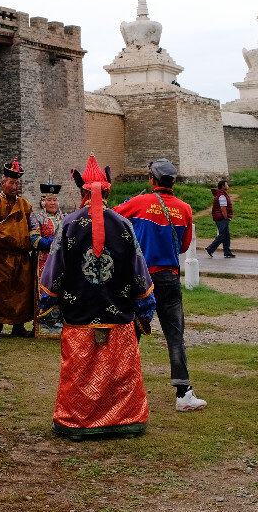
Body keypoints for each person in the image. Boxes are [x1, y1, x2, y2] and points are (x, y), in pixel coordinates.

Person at [40, 156, 156, 439]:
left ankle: (77, 421)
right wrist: (145, 310)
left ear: (82, 192)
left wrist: (49, 305)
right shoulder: (124, 226)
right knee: (119, 372)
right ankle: (125, 419)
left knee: (80, 372)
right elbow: (140, 275)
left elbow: (52, 276)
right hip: (119, 315)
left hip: (79, 314)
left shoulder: (67, 225)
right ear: (108, 191)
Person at [113, 158, 206, 411]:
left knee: (131, 334)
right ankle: (184, 394)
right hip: (170, 279)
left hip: (140, 278)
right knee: (175, 336)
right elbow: (184, 246)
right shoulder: (185, 209)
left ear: (152, 180)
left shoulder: (140, 202)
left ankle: (120, 390)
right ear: (172, 182)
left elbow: (112, 216)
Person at [0, 158, 35, 338]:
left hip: (22, 255)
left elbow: (32, 225)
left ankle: (19, 325)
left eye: (17, 183)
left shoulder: (24, 204)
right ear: (3, 183)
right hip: (1, 256)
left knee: (22, 291)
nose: (14, 186)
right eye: (11, 182)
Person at [29, 176, 65, 338]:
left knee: (62, 290)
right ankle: (43, 326)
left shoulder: (64, 218)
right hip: (44, 261)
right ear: (43, 201)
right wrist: (52, 244)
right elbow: (34, 240)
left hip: (62, 262)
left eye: (55, 200)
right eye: (49, 200)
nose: (52, 203)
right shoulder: (36, 218)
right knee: (44, 290)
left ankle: (60, 325)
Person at [205, 179, 235, 258]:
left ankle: (227, 252)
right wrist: (226, 217)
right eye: (226, 184)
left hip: (221, 218)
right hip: (222, 218)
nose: (228, 186)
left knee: (226, 235)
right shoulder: (222, 195)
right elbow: (223, 208)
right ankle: (210, 248)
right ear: (223, 186)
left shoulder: (222, 194)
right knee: (222, 235)